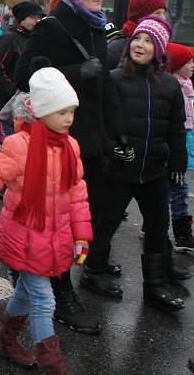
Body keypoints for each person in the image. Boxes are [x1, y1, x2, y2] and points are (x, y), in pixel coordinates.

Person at [0, 66, 91, 374]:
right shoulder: (19, 145)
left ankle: (5, 343)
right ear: (43, 111)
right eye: (62, 112)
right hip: (23, 238)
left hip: (55, 239)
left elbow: (77, 196)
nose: (68, 119)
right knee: (44, 301)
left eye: (71, 112)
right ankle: (54, 365)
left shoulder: (71, 147)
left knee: (25, 292)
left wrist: (81, 237)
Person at [14, 0, 109, 335]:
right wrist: (73, 72)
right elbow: (25, 74)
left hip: (95, 135)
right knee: (61, 219)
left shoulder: (99, 25)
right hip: (59, 139)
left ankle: (50, 273)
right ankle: (59, 290)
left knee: (90, 212)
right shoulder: (53, 26)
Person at [81, 16, 188, 311]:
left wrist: (178, 162)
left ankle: (154, 286)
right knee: (107, 222)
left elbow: (176, 127)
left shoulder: (169, 85)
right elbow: (101, 123)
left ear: (160, 49)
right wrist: (113, 148)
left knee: (157, 226)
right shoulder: (114, 79)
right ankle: (93, 271)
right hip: (118, 171)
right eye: (137, 39)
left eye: (148, 41)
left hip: (154, 170)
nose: (140, 45)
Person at [0, 1, 44, 136]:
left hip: (31, 105)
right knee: (15, 148)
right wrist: (13, 93)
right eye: (33, 17)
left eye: (39, 18)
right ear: (21, 19)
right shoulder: (8, 39)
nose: (37, 21)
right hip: (11, 105)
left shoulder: (37, 39)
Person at [166, 43, 194, 252]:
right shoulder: (174, 87)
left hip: (183, 142)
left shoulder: (187, 84)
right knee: (178, 186)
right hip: (176, 144)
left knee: (175, 186)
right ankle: (182, 235)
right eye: (188, 62)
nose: (192, 65)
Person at [107, 0, 167, 69]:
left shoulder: (159, 42)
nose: (163, 18)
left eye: (163, 13)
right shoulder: (115, 48)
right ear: (141, 16)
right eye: (157, 13)